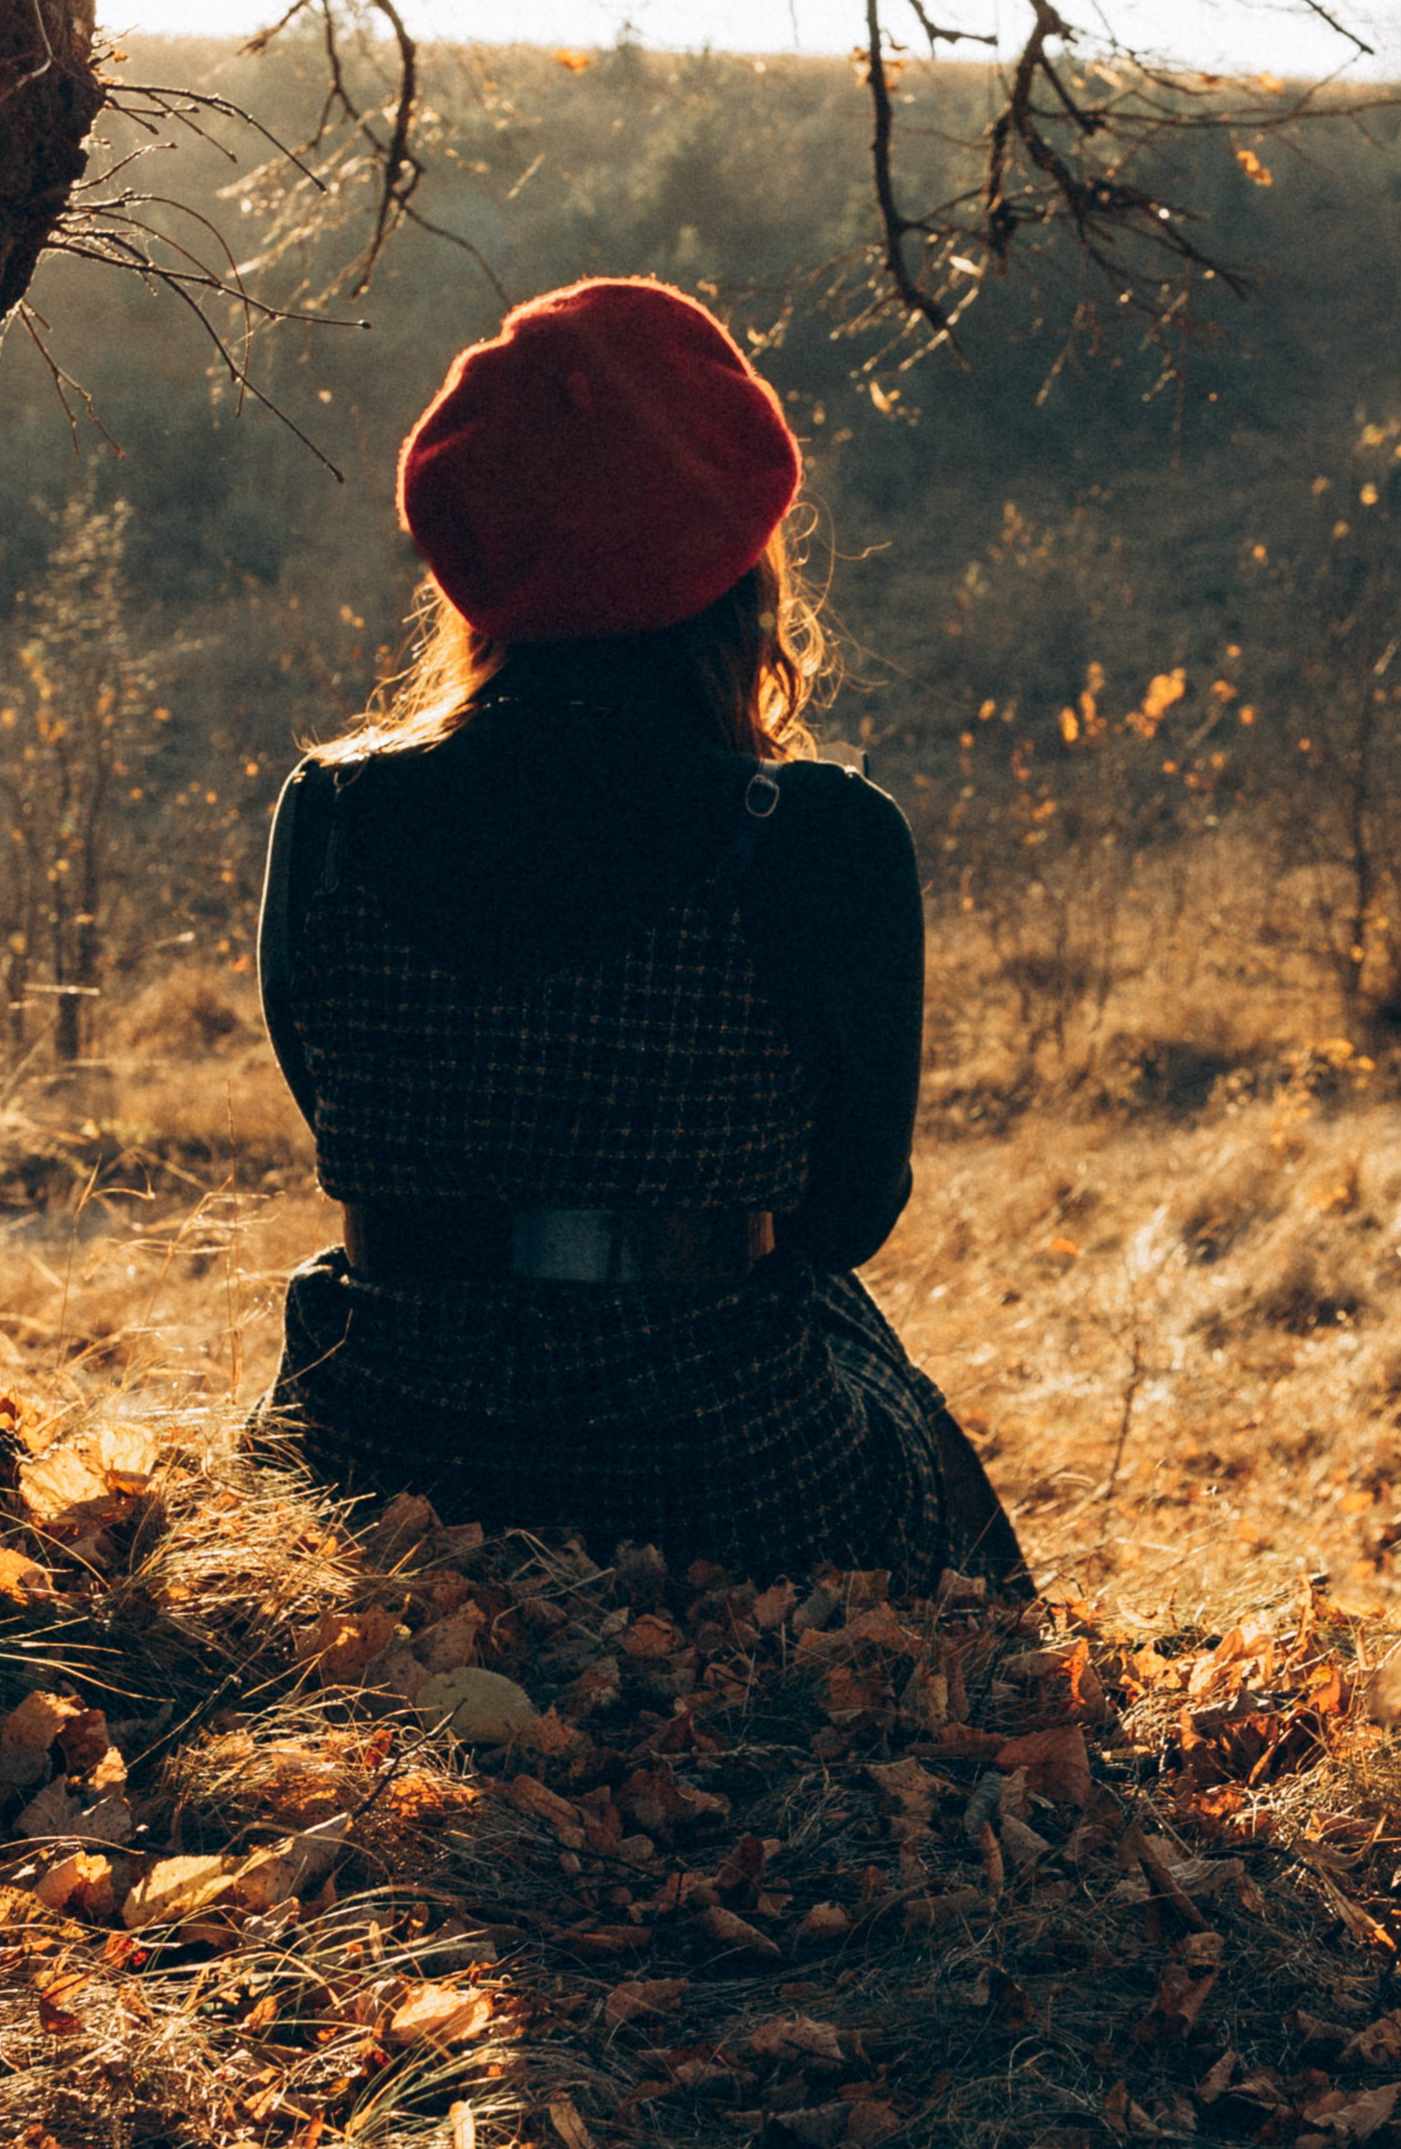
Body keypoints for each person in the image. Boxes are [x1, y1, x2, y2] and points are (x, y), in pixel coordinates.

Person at [250, 274, 1028, 1594]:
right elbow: (847, 1217)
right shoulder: (818, 835)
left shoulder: (331, 813)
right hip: (722, 1481)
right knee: (926, 1482)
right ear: (739, 562)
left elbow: (339, 1117)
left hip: (383, 1471)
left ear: (467, 549)